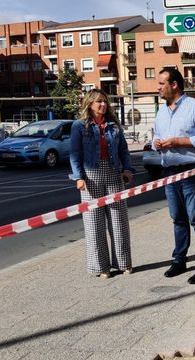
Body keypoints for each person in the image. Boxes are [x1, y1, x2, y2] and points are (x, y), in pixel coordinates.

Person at [153, 68, 195, 284]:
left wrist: (179, 141)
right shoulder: (161, 112)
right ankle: (179, 260)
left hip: (192, 171)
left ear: (174, 85)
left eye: (161, 83)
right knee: (177, 218)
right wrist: (156, 143)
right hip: (169, 172)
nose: (158, 87)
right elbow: (156, 135)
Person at [69, 89, 135, 279]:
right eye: (99, 101)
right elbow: (75, 153)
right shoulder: (79, 126)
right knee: (94, 223)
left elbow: (123, 150)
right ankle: (101, 267)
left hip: (113, 173)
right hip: (91, 175)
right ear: (90, 104)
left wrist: (127, 169)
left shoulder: (113, 125)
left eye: (105, 101)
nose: (103, 105)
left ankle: (123, 263)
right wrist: (78, 177)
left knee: (119, 221)